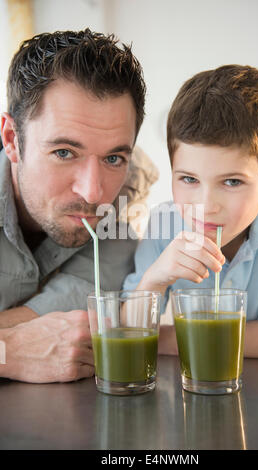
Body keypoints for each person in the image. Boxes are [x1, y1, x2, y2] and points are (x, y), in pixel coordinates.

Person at [0, 29, 158, 382]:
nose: (92, 192)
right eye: (63, 152)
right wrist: (7, 353)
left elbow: (93, 292)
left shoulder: (125, 195)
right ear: (12, 140)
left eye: (114, 158)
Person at [123, 64, 258, 359]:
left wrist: (166, 339)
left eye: (232, 181)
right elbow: (129, 331)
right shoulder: (164, 224)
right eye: (189, 179)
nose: (205, 206)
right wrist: (156, 278)